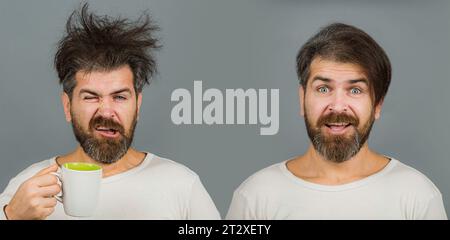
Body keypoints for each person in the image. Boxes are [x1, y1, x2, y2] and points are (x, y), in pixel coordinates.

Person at [0, 4, 220, 220]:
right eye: (91, 97)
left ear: (137, 105)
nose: (106, 111)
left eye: (120, 97)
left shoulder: (182, 185)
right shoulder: (27, 190)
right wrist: (12, 217)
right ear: (67, 106)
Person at [226, 23, 447, 220]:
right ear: (302, 99)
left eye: (355, 90)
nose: (338, 105)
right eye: (323, 88)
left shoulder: (418, 196)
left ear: (377, 104)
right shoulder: (255, 196)